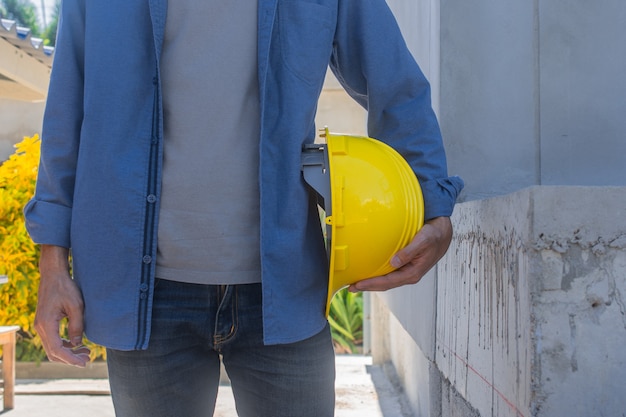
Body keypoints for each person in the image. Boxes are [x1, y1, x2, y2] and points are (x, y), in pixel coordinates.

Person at [25, 1, 464, 416]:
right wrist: (52, 264)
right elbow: (67, 108)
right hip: (147, 299)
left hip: (283, 289)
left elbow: (395, 84)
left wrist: (432, 204)